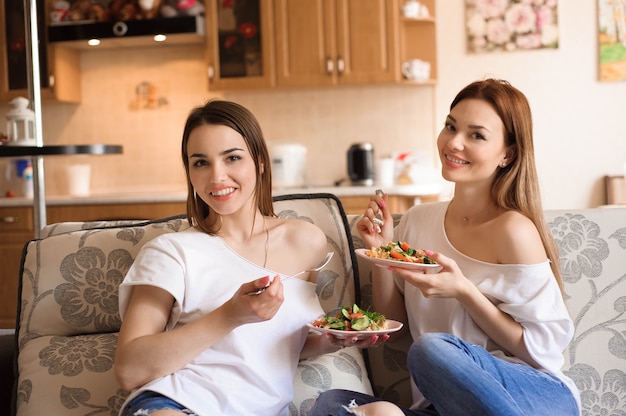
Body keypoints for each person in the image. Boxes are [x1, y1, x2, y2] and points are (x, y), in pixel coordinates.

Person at [309, 79, 581, 416]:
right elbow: (394, 328)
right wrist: (382, 254)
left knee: (431, 350)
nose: (454, 142)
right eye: (450, 126)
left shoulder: (514, 230)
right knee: (330, 406)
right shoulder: (418, 220)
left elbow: (544, 350)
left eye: (476, 135)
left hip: (534, 397)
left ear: (507, 154)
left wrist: (464, 291)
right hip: (444, 405)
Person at [114, 99, 344, 416]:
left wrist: (333, 340)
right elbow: (129, 370)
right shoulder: (171, 251)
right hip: (177, 404)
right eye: (200, 163)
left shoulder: (306, 242)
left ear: (260, 162)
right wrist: (230, 315)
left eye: (232, 158)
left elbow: (273, 343)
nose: (217, 176)